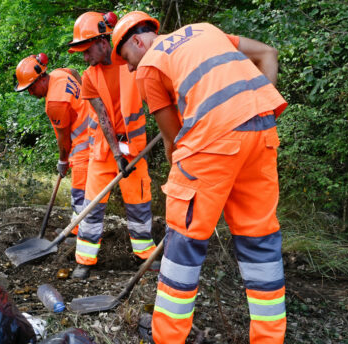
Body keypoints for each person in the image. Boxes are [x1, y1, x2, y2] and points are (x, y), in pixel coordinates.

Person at [111, 11, 288, 344]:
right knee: (260, 241)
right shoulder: (204, 30)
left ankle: (166, 338)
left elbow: (173, 142)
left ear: (138, 41)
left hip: (211, 144)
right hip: (262, 134)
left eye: (127, 59)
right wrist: (251, 110)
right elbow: (268, 53)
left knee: (184, 245)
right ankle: (269, 339)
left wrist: (180, 184)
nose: (130, 67)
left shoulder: (149, 66)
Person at [67, 11, 157, 279]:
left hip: (137, 148)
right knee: (91, 205)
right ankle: (85, 260)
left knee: (139, 204)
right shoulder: (89, 77)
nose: (84, 57)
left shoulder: (134, 61)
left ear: (103, 42)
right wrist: (116, 154)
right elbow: (103, 118)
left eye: (87, 50)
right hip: (104, 150)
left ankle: (146, 257)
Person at [14, 53, 91, 236]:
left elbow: (63, 138)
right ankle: (77, 229)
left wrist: (63, 161)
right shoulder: (59, 74)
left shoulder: (55, 103)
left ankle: (82, 236)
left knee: (80, 196)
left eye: (31, 88)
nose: (31, 94)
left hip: (86, 146)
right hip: (92, 133)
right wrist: (85, 94)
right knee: (85, 193)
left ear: (41, 79)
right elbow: (73, 71)